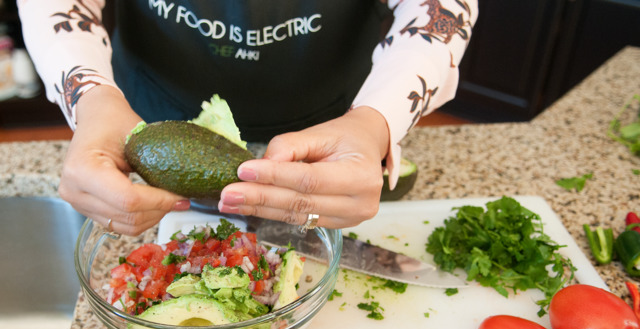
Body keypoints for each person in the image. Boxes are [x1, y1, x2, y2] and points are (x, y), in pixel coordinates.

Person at [17, 0, 478, 236]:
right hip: (151, 123)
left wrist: (378, 120)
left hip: (329, 128)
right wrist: (90, 99)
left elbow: (436, 7)